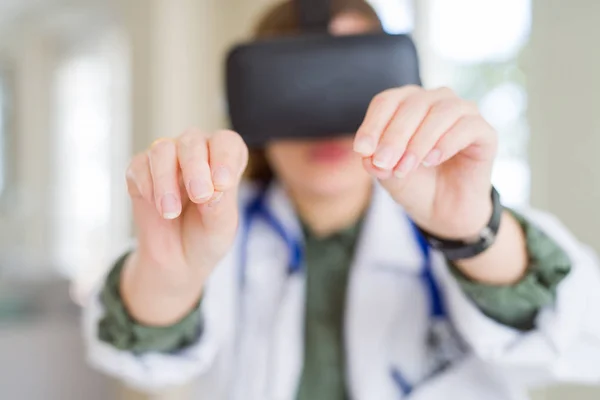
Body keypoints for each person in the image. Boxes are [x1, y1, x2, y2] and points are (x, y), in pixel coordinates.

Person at [83, 1, 600, 399]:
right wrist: (170, 280)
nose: (328, 114)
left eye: (353, 83)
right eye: (298, 83)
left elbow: (581, 333)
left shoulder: (464, 228)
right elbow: (134, 354)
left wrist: (473, 233)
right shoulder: (213, 228)